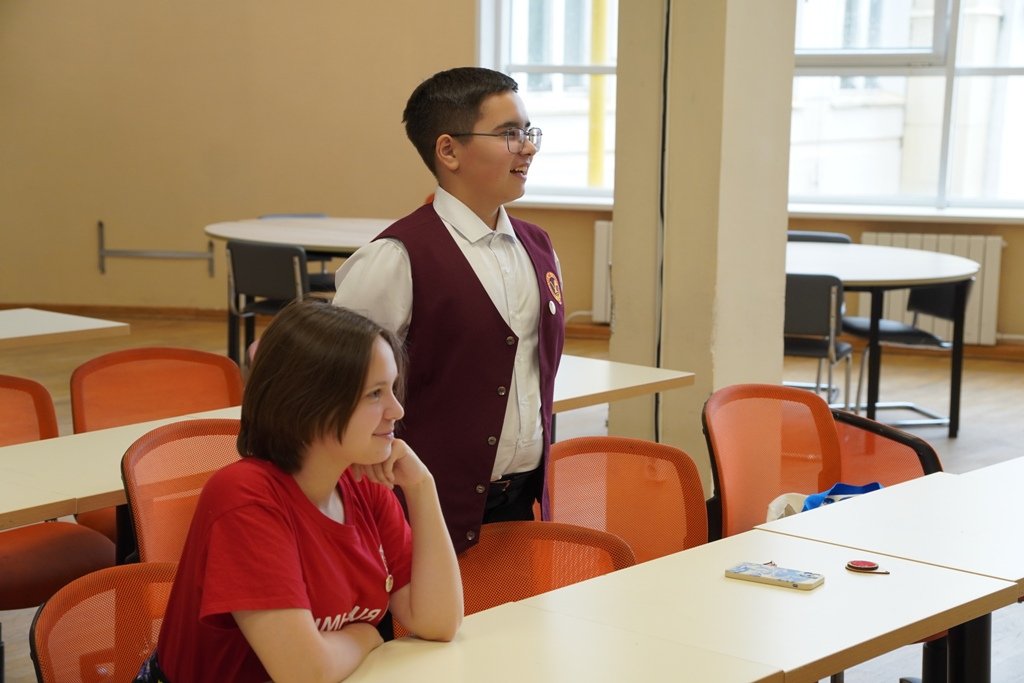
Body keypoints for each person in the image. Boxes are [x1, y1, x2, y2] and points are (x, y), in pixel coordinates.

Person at [136, 299, 462, 683]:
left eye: (392, 389)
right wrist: (365, 636)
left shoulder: (363, 487)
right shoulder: (244, 498)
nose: (397, 410)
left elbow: (439, 621)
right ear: (310, 403)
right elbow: (304, 673)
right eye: (375, 394)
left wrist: (422, 487)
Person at [332, 66, 565, 552]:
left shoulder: (539, 247)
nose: (528, 147)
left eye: (528, 132)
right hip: (418, 504)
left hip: (522, 502)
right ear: (449, 150)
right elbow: (335, 385)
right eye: (509, 133)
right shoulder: (396, 257)